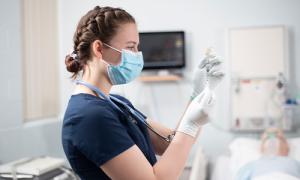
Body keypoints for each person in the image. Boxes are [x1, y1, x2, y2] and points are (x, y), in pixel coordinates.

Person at [61, 6, 224, 180]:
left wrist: (197, 94)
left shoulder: (116, 102)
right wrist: (191, 125)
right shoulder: (88, 116)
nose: (137, 56)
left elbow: (168, 143)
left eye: (137, 47)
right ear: (99, 49)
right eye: (130, 47)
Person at [236, 128, 300, 180]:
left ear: (287, 148)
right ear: (261, 148)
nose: (272, 139)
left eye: (278, 137)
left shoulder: (296, 164)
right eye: (267, 138)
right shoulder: (251, 166)